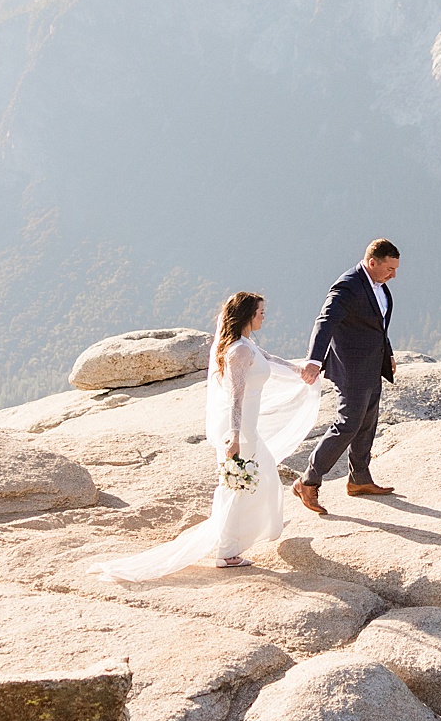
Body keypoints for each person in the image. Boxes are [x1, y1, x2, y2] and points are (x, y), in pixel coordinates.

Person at [94, 290, 320, 577]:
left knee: (259, 482)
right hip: (241, 431)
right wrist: (235, 437)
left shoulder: (245, 345)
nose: (265, 316)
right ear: (248, 315)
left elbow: (270, 358)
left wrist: (300, 371)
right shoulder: (238, 351)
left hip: (248, 429)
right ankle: (227, 552)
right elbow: (235, 397)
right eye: (261, 312)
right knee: (238, 488)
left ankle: (237, 541)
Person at [292, 238, 401, 514]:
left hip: (372, 365)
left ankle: (359, 479)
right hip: (351, 368)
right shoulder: (348, 285)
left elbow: (379, 325)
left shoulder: (379, 286)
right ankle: (308, 481)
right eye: (389, 268)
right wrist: (314, 361)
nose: (393, 275)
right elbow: (325, 321)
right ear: (372, 262)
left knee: (367, 422)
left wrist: (387, 354)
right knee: (347, 424)